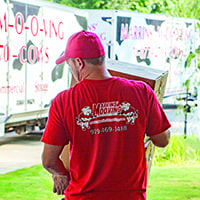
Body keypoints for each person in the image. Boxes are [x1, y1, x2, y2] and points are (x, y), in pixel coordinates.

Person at [41, 30, 171, 200]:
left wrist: (61, 174)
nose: (71, 70)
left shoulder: (64, 101)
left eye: (70, 65)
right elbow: (163, 140)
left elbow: (49, 161)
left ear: (79, 63)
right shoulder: (141, 92)